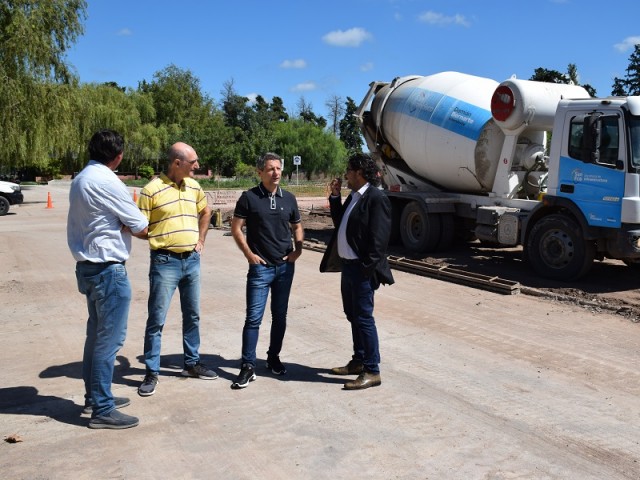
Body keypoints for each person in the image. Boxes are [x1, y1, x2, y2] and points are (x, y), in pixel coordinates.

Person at [67, 129, 149, 429]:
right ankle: (102, 408)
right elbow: (140, 225)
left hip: (87, 268)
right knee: (109, 341)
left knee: (96, 336)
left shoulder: (81, 178)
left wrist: (121, 225)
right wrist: (132, 226)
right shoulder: (108, 181)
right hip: (108, 271)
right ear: (119, 156)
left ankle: (95, 397)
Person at [137, 142, 214, 397]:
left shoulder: (193, 186)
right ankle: (152, 372)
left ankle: (191, 364)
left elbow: (206, 211)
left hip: (191, 261)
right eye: (194, 162)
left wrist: (200, 239)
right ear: (177, 163)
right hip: (164, 262)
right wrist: (161, 236)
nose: (198, 167)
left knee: (192, 315)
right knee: (156, 320)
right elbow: (138, 226)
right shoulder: (151, 191)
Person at [320, 153, 394, 390]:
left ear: (360, 172)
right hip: (348, 268)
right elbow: (340, 222)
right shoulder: (354, 196)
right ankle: (359, 360)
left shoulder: (376, 198)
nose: (346, 175)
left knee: (363, 319)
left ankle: (372, 370)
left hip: (361, 271)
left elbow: (379, 242)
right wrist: (334, 197)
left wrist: (365, 270)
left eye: (349, 171)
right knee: (352, 315)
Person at [230, 152, 304, 389]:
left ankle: (273, 358)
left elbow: (298, 226)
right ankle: (248, 366)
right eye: (271, 169)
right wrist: (249, 255)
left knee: (279, 316)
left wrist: (298, 251)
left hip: (284, 268)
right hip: (260, 270)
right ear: (260, 172)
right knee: (253, 318)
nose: (276, 173)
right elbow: (236, 228)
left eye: (279, 168)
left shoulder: (289, 198)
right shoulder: (249, 198)